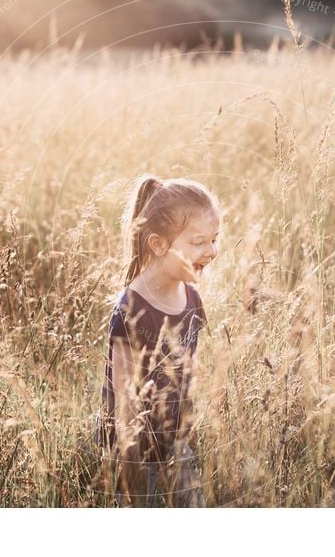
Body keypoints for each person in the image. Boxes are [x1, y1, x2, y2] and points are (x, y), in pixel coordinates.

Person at [95, 174, 220, 507]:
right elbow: (122, 399)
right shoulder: (131, 309)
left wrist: (188, 432)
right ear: (158, 244)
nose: (211, 251)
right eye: (198, 242)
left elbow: (187, 375)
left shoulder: (191, 298)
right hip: (136, 452)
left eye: (214, 240)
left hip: (178, 443)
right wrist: (129, 462)